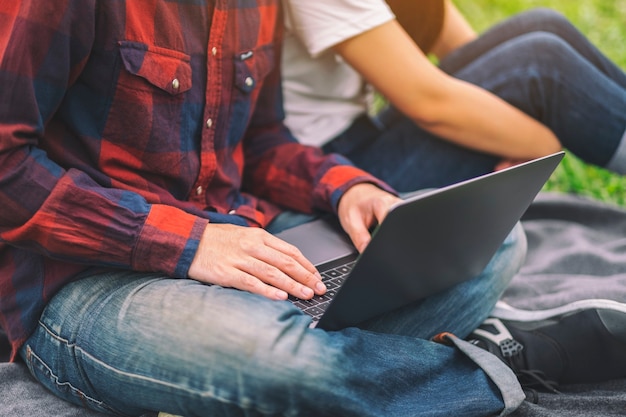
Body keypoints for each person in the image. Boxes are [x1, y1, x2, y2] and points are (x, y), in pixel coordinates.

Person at [1, 2, 626, 417]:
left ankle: (345, 366)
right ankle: (496, 362)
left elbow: (264, 140)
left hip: (250, 237)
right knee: (279, 364)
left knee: (493, 241)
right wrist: (186, 244)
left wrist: (346, 187)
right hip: (88, 282)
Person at [281, 0, 626, 192]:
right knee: (542, 64)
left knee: (542, 25)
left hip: (364, 134)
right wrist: (541, 145)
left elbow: (463, 47)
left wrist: (511, 110)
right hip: (327, 169)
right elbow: (430, 104)